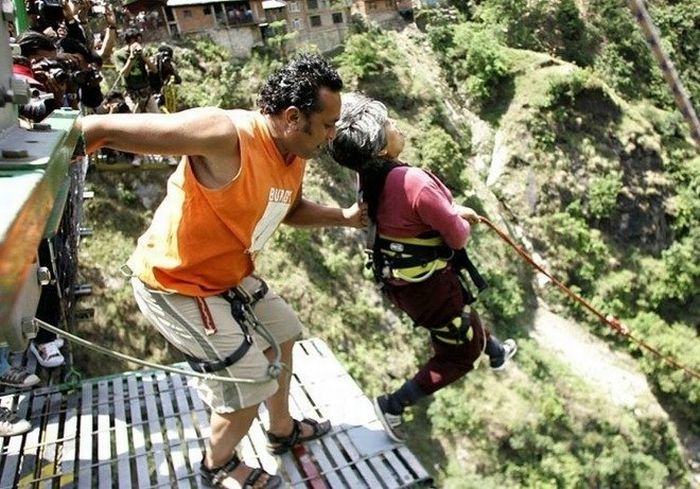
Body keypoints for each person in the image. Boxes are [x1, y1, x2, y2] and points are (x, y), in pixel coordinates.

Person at [79, 53, 365, 488]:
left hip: (226, 274)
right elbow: (107, 129)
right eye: (327, 125)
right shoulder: (229, 135)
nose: (332, 135)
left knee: (284, 332)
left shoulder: (293, 151)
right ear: (293, 117)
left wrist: (344, 216)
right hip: (175, 283)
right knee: (247, 384)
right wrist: (71, 140)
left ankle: (280, 429)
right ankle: (218, 463)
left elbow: (288, 209)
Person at [328, 93, 517, 443]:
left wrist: (447, 211)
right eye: (388, 124)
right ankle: (393, 405)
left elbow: (404, 219)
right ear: (380, 147)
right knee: (461, 352)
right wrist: (456, 216)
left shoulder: (367, 175)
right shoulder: (414, 182)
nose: (396, 125)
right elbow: (458, 237)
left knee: (458, 318)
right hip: (431, 286)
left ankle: (495, 350)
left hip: (401, 282)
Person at [113, 28, 157, 114]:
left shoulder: (143, 52)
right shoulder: (119, 54)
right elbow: (124, 74)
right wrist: (131, 57)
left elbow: (154, 70)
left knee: (156, 115)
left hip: (146, 91)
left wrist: (144, 57)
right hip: (131, 93)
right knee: (134, 118)